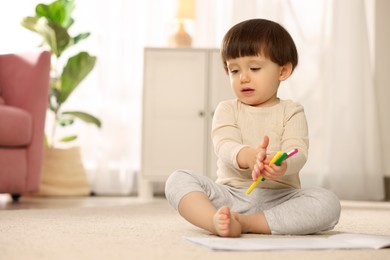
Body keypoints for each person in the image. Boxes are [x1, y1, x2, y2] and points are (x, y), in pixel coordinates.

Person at [165, 18, 341, 237]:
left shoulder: (292, 111)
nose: (243, 78)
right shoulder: (227, 109)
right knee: (178, 179)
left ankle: (248, 223)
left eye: (254, 68)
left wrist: (281, 163)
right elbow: (224, 144)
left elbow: (298, 150)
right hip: (229, 196)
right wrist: (249, 157)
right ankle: (214, 221)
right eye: (234, 70)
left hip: (280, 199)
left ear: (283, 71)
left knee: (328, 202)